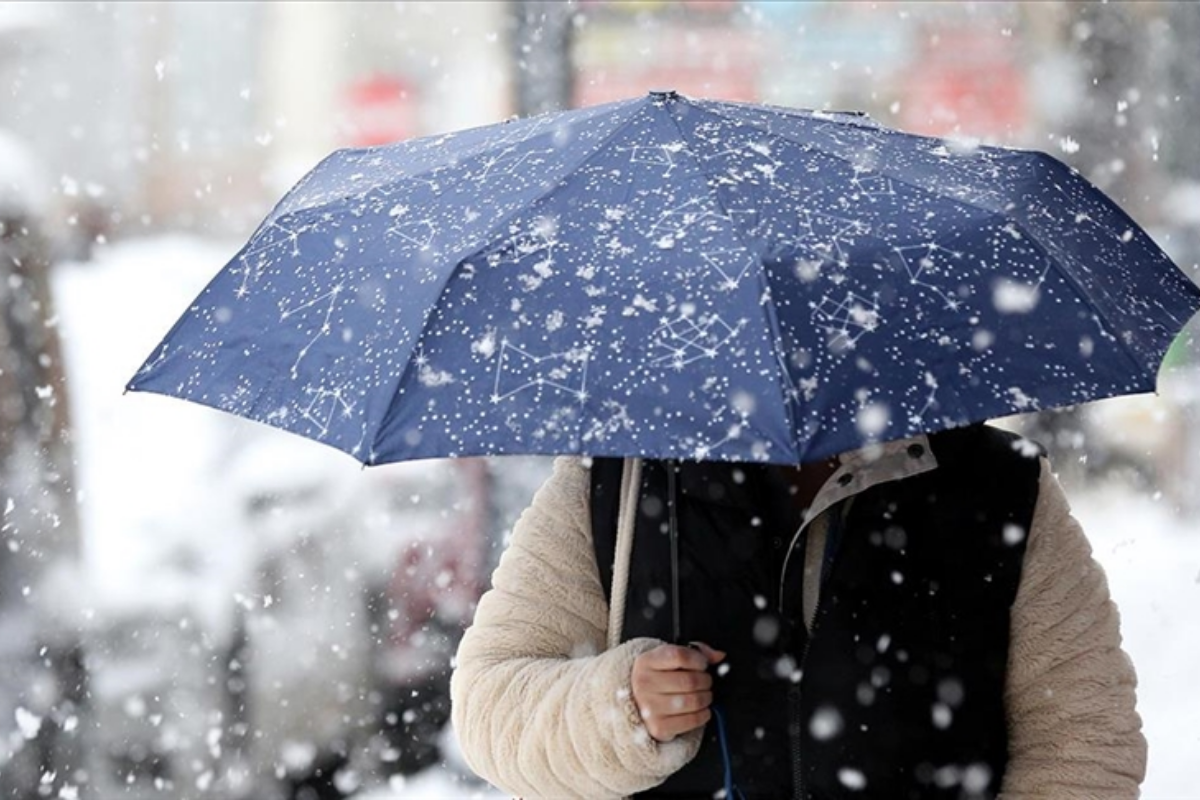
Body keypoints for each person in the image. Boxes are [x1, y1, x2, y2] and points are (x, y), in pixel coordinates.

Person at [450, 423, 1146, 799]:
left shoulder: (997, 487)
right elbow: (490, 705)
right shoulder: (620, 481)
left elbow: (1084, 745)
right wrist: (619, 706)